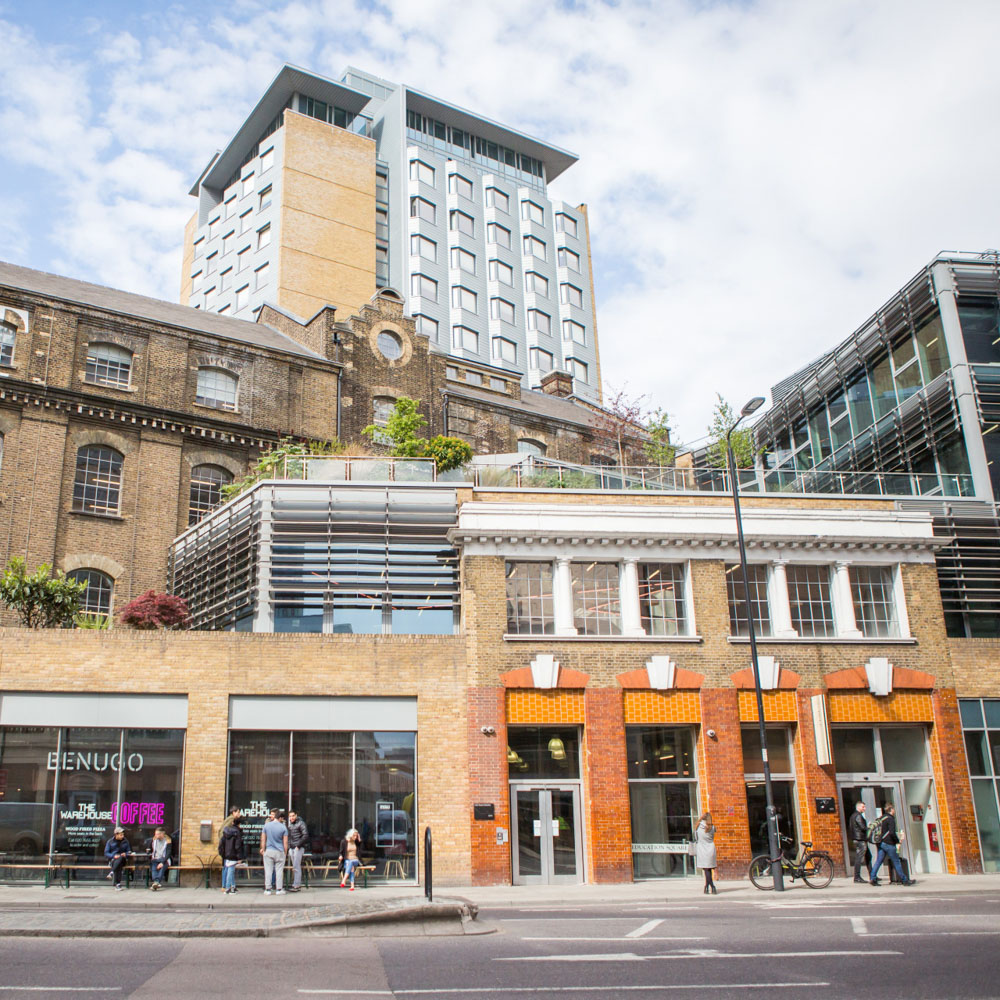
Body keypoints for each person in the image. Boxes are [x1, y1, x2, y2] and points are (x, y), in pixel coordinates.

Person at [870, 803, 914, 887]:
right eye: (893, 809)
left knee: (879, 861)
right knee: (896, 861)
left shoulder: (881, 818)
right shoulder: (890, 819)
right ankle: (905, 880)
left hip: (881, 842)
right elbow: (892, 832)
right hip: (889, 843)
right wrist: (897, 841)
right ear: (891, 810)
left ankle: (873, 877)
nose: (894, 811)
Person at [260, 807, 288, 895]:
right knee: (279, 871)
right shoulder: (283, 827)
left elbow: (263, 839)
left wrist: (263, 849)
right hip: (279, 851)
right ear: (280, 818)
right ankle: (279, 889)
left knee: (268, 870)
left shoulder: (266, 825)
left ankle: (268, 889)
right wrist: (285, 852)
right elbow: (285, 842)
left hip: (269, 850)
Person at [219, 808, 245, 895]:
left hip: (227, 852)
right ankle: (227, 887)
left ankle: (232, 886)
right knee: (229, 870)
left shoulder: (227, 830)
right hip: (232, 853)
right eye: (238, 812)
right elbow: (237, 845)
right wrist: (240, 857)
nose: (239, 814)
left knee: (230, 869)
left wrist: (222, 852)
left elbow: (222, 841)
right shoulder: (234, 827)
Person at [694, 812, 718, 895]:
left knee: (706, 869)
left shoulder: (698, 827)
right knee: (709, 869)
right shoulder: (712, 827)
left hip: (702, 848)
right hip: (711, 848)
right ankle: (707, 887)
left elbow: (696, 838)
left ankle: (711, 886)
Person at [286, 809, 308, 893]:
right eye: (290, 816)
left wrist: (298, 845)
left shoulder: (301, 823)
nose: (291, 818)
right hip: (292, 847)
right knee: (295, 866)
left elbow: (305, 835)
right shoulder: (290, 825)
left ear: (296, 815)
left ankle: (296, 885)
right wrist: (289, 846)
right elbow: (289, 836)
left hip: (298, 847)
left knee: (296, 866)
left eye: (292, 816)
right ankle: (296, 884)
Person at [104, 827, 132, 892]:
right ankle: (118, 884)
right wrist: (113, 856)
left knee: (120, 857)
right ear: (116, 835)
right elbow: (106, 853)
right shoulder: (110, 841)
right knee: (118, 865)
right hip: (113, 860)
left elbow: (129, 851)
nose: (123, 836)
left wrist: (125, 854)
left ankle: (112, 872)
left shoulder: (125, 841)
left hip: (123, 860)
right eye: (121, 835)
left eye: (123, 834)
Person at [849, 801, 871, 883]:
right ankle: (857, 877)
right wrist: (868, 827)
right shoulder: (858, 816)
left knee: (868, 856)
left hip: (858, 839)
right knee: (859, 858)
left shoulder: (853, 816)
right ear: (858, 807)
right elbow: (862, 827)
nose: (864, 808)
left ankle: (872, 875)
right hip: (860, 839)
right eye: (863, 807)